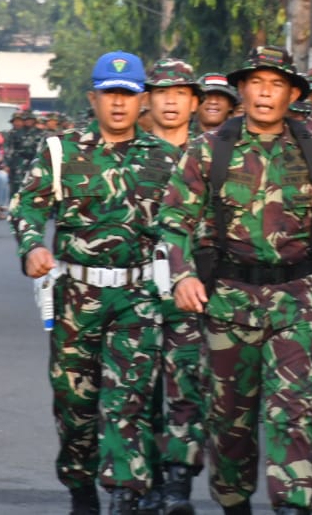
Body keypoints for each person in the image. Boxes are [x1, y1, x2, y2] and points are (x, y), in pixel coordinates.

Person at [162, 45, 312, 515]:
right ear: (242, 89)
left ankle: (293, 505)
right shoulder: (209, 149)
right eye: (256, 83)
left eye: (275, 84)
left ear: (293, 92)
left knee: (292, 415)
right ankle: (234, 503)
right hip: (228, 302)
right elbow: (174, 218)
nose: (265, 93)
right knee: (229, 423)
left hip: (298, 301)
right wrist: (183, 274)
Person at [12, 52, 174, 515]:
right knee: (75, 408)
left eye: (127, 95)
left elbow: (183, 221)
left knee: (129, 405)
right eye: (109, 95)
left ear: (141, 100)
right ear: (93, 98)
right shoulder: (62, 151)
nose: (118, 104)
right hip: (76, 300)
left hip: (137, 300)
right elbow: (27, 207)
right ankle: (81, 489)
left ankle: (126, 493)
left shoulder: (165, 158)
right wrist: (32, 247)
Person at [139, 58, 206, 515]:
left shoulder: (214, 155)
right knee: (139, 393)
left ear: (195, 102)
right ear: (149, 99)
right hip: (135, 294)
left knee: (186, 387)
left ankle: (178, 483)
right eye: (162, 92)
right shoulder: (129, 153)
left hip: (192, 292)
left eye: (180, 92)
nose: (170, 100)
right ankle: (142, 481)